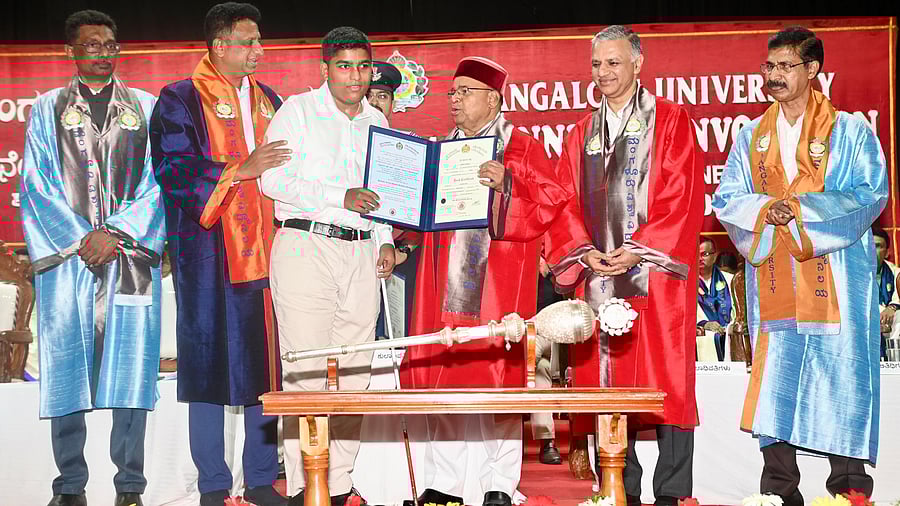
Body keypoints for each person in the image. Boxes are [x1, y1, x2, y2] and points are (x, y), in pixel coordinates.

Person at [400, 56, 590, 506]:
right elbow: (422, 215)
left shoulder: (521, 147)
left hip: (497, 285)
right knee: (446, 376)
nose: (454, 100)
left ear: (493, 99)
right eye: (452, 92)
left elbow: (553, 200)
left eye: (465, 92)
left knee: (498, 380)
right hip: (443, 283)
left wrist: (509, 184)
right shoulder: (440, 151)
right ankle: (444, 484)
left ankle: (498, 484)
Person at [712, 26, 886, 506]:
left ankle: (849, 492)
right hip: (774, 273)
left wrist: (802, 211)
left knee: (841, 374)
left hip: (837, 275)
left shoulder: (850, 131)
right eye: (769, 66)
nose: (774, 75)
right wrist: (767, 210)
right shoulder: (751, 137)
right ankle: (778, 492)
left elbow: (871, 193)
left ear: (812, 69)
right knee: (777, 378)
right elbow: (727, 199)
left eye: (785, 66)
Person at [545, 25, 703, 505]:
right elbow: (563, 202)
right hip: (597, 277)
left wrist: (640, 248)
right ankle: (619, 487)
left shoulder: (671, 120)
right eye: (596, 64)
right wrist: (583, 251)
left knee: (666, 381)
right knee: (606, 382)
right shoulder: (581, 133)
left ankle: (672, 492)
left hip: (656, 277)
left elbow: (683, 193)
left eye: (613, 62)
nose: (603, 72)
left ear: (638, 63)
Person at [20, 9, 166, 506]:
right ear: (71, 52)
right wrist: (84, 239)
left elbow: (159, 182)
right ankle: (70, 485)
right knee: (66, 367)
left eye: (109, 44)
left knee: (131, 369)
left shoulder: (145, 107)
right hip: (69, 261)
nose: (102, 53)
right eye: (91, 45)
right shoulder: (46, 109)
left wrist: (116, 234)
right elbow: (35, 184)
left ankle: (130, 486)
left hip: (130, 257)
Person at [149, 3, 288, 505]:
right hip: (209, 253)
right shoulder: (180, 98)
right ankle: (212, 484)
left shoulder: (271, 100)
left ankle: (261, 478)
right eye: (249, 42)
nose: (259, 50)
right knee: (207, 363)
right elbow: (173, 168)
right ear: (219, 45)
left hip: (269, 251)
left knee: (265, 365)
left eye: (260, 41)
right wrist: (239, 170)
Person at [260, 26, 394, 506]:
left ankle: (337, 484)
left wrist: (384, 238)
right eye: (344, 66)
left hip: (362, 252)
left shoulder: (377, 120)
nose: (355, 76)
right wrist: (340, 197)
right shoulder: (296, 112)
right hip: (306, 245)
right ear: (325, 69)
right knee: (306, 369)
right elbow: (272, 181)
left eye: (363, 66)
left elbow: (383, 190)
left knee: (356, 371)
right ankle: (305, 486)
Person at [696, 237, 733, 361]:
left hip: (728, 337)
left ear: (715, 255)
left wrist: (730, 326)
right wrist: (704, 324)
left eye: (705, 254)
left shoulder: (731, 280)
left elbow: (739, 313)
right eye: (697, 254)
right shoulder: (686, 283)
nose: (700, 258)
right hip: (700, 339)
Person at [873, 227, 900, 360]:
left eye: (878, 246)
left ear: (887, 252)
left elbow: (898, 298)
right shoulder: (853, 273)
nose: (873, 250)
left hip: (890, 323)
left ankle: (894, 362)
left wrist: (892, 307)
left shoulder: (896, 272)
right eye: (870, 245)